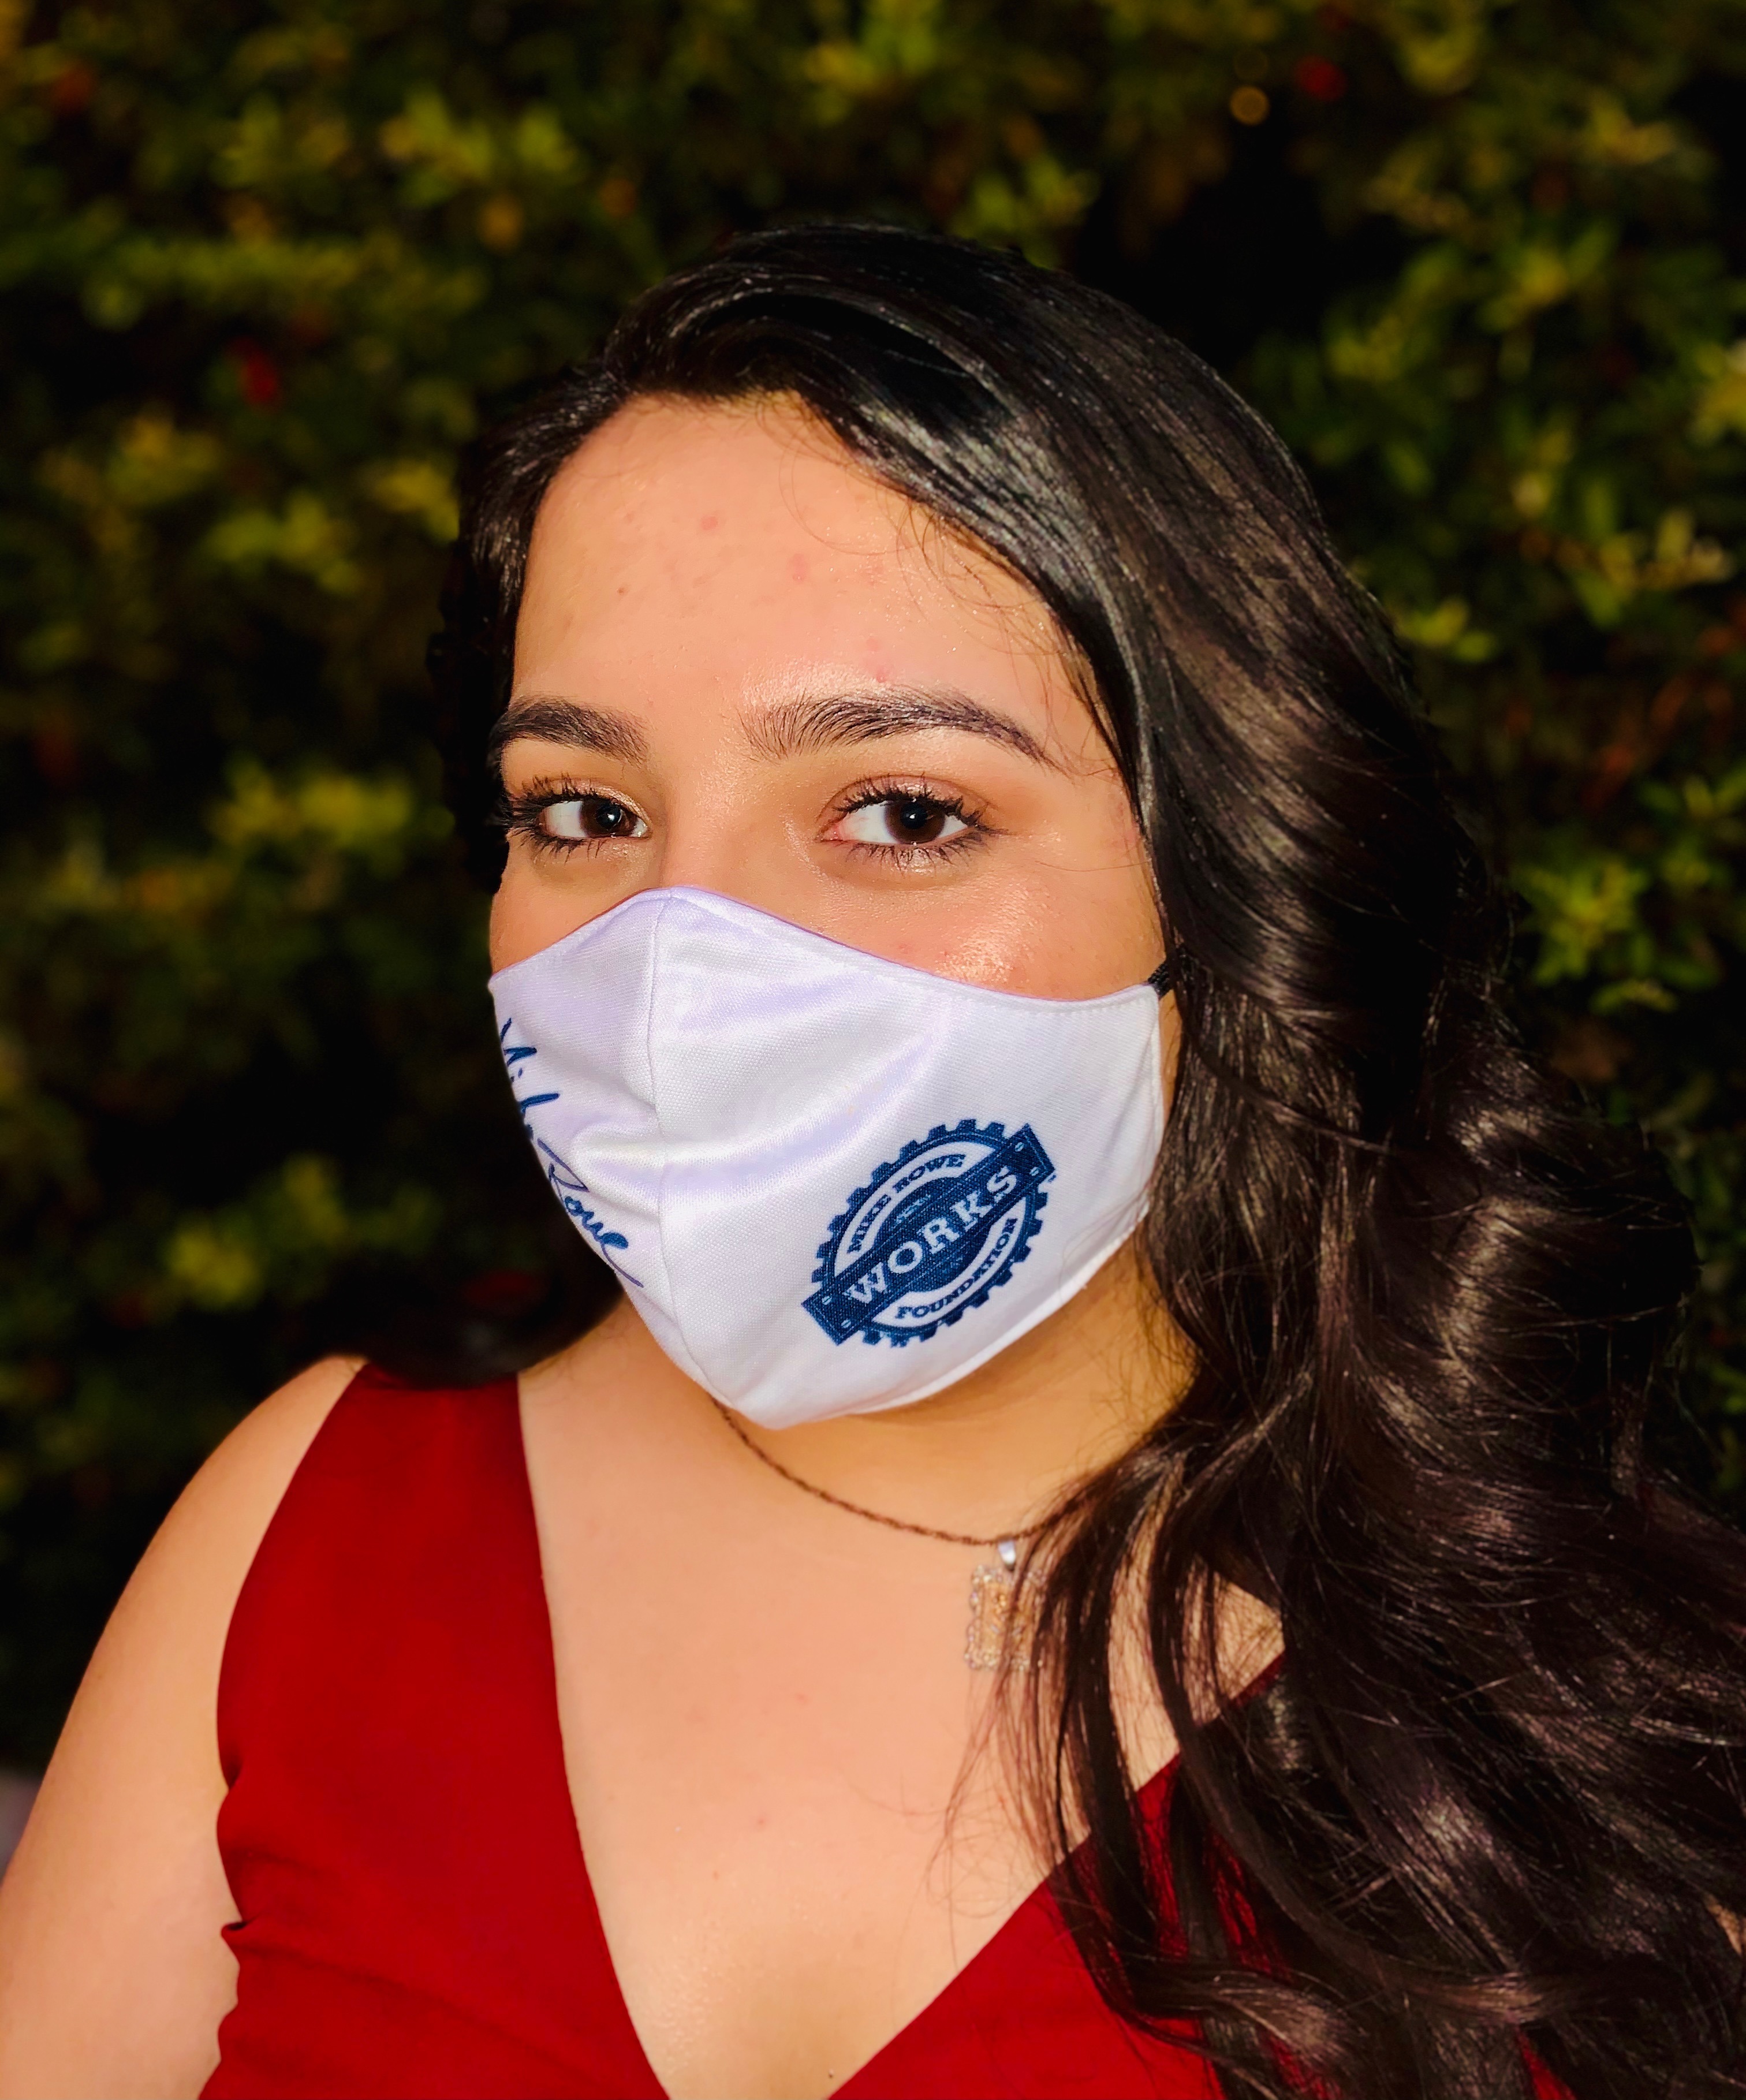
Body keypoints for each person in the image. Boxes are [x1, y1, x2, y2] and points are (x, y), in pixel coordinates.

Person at [0, 224, 1741, 2100]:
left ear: (1240, 867)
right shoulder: (315, 1527)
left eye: (903, 811)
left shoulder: (1602, 1699)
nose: (688, 966)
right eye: (583, 810)